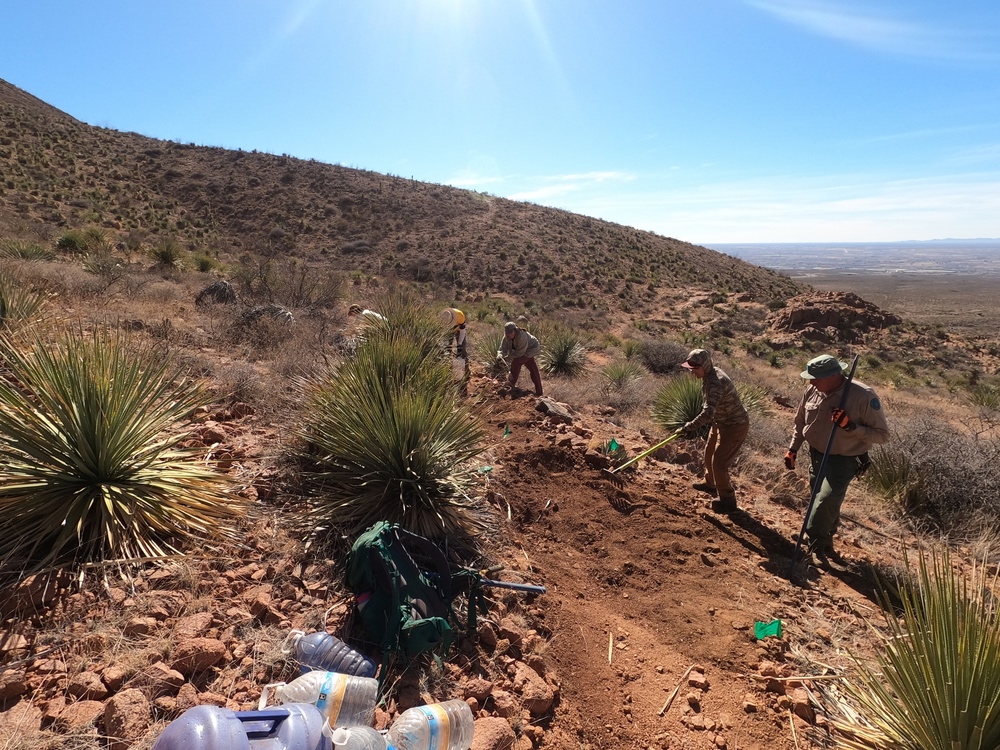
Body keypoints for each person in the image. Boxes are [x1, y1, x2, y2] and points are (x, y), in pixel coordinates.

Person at [785, 354, 889, 565]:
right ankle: (825, 541)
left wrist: (850, 426)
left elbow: (882, 436)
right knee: (820, 499)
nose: (811, 383)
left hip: (844, 459)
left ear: (833, 376)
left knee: (825, 501)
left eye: (816, 379)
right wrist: (793, 449)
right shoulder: (813, 391)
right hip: (816, 455)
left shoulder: (862, 396)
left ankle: (816, 544)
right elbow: (801, 422)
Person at [680, 348, 750, 514]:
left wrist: (688, 427)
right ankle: (710, 483)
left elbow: (708, 413)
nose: (692, 372)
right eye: (690, 368)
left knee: (719, 462)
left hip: (735, 426)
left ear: (704, 365)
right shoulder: (710, 374)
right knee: (709, 452)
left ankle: (728, 500)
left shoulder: (715, 383)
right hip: (721, 422)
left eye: (695, 368)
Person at [498, 321, 543, 397]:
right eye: (507, 332)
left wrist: (507, 358)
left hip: (532, 349)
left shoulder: (522, 336)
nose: (509, 334)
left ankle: (511, 384)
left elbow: (520, 353)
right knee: (532, 366)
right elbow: (502, 348)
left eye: (511, 332)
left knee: (516, 362)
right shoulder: (506, 337)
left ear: (515, 330)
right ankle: (539, 392)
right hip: (523, 350)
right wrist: (500, 355)